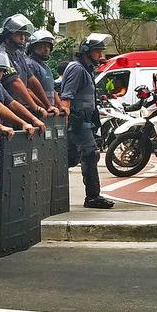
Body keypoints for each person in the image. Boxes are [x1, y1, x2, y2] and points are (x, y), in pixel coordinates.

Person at [57, 33, 116, 209]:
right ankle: (92, 197)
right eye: (97, 51)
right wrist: (66, 117)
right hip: (77, 121)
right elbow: (67, 95)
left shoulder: (86, 69)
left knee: (70, 158)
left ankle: (46, 186)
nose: (101, 55)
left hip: (84, 121)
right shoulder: (76, 69)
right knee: (91, 154)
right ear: (86, 51)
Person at [0, 14, 53, 116]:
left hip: (24, 108)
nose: (23, 38)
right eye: (18, 34)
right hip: (8, 109)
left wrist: (47, 105)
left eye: (24, 34)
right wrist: (36, 107)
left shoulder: (18, 54)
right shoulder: (1, 54)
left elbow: (31, 79)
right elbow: (15, 83)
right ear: (8, 34)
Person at [25, 28, 59, 111]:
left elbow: (52, 90)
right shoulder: (29, 64)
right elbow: (27, 90)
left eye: (48, 46)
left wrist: (60, 106)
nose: (46, 49)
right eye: (42, 45)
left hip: (49, 111)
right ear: (32, 47)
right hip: (36, 111)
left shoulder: (45, 67)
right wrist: (44, 106)